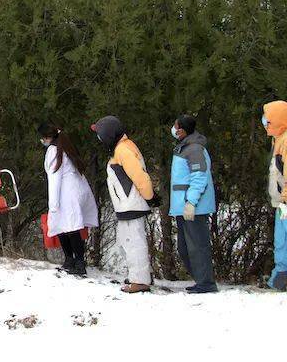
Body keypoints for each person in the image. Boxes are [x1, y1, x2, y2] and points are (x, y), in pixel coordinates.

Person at [93, 116, 161, 292]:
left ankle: (141, 280)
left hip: (131, 204)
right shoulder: (121, 148)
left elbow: (139, 176)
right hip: (126, 205)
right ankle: (138, 274)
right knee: (124, 240)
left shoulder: (123, 150)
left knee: (133, 241)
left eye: (100, 134)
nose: (99, 139)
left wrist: (149, 196)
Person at [40, 123, 98, 276]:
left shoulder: (53, 151)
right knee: (68, 227)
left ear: (47, 137)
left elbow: (55, 178)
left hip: (65, 194)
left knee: (67, 228)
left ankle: (74, 261)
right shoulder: (65, 146)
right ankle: (75, 261)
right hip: (76, 192)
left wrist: (53, 203)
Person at [169, 114, 217, 293]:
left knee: (198, 246)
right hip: (184, 206)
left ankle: (206, 283)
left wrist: (191, 202)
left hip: (194, 207)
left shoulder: (195, 148)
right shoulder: (184, 147)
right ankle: (201, 280)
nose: (173, 129)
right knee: (185, 248)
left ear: (181, 129)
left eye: (175, 126)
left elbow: (199, 177)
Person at [262, 101, 287, 290]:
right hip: (282, 203)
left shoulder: (286, 141)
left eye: (268, 118)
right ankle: (279, 281)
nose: (265, 122)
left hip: (285, 202)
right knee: (281, 243)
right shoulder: (278, 139)